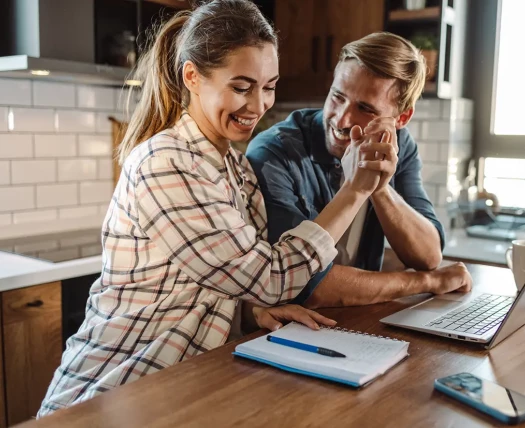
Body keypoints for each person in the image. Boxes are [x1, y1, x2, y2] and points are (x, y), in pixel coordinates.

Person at [38, 0, 381, 417]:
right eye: (241, 87)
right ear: (192, 77)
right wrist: (355, 190)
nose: (258, 106)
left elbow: (211, 284)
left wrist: (253, 311)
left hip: (174, 392)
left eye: (268, 86)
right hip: (106, 396)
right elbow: (271, 277)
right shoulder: (165, 163)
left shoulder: (234, 169)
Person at [246, 32, 473, 309]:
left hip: (359, 320)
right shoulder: (274, 152)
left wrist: (380, 187)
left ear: (401, 118)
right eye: (337, 96)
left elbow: (428, 256)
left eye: (365, 109)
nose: (342, 119)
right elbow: (301, 284)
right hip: (287, 330)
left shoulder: (398, 145)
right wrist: (428, 282)